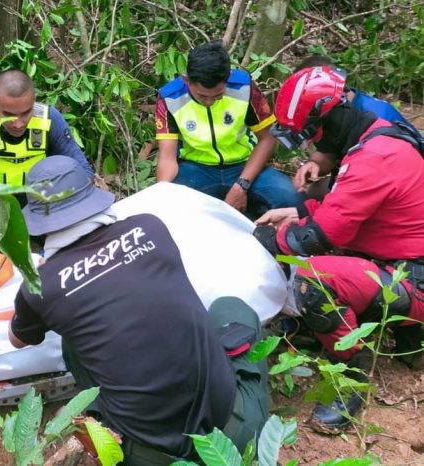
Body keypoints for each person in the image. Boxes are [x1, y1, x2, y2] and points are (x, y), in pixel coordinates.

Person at [8, 155, 270, 465]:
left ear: (38, 222)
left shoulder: (41, 286)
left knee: (73, 341)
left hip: (150, 457)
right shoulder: (149, 227)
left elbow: (17, 339)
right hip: (232, 436)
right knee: (232, 309)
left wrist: (44, 279)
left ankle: (105, 420)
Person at [253, 66, 424, 433]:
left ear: (330, 116)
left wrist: (271, 239)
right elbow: (349, 211)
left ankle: (351, 376)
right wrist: (296, 212)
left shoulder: (375, 157)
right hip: (402, 258)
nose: (314, 145)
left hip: (410, 276)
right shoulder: (375, 136)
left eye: (313, 134)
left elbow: (317, 238)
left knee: (312, 280)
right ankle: (405, 332)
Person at [155, 41, 302, 216]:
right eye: (202, 96)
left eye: (217, 95)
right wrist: (163, 191)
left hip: (243, 165)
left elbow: (267, 138)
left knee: (291, 200)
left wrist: (242, 185)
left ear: (228, 78)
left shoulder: (243, 86)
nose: (209, 101)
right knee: (171, 209)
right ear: (187, 80)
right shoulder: (170, 97)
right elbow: (167, 158)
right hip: (196, 168)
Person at [0, 70, 94, 260]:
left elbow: (83, 170)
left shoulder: (48, 119)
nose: (18, 123)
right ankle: (5, 248)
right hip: (0, 197)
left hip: (41, 195)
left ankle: (48, 242)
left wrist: (72, 208)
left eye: (26, 112)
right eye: (8, 115)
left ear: (34, 101)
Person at [292, 55, 421, 192]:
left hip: (393, 186)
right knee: (310, 192)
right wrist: (313, 164)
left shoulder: (376, 117)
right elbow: (328, 151)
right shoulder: (332, 111)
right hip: (356, 177)